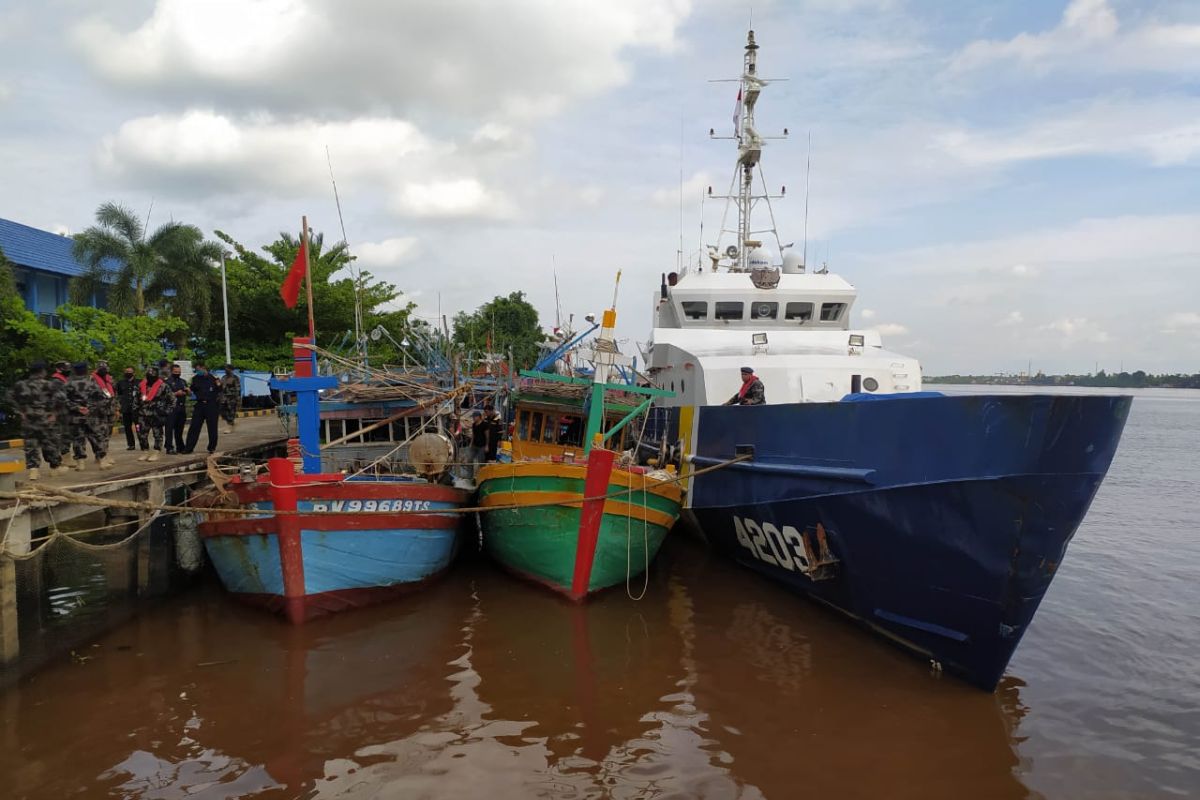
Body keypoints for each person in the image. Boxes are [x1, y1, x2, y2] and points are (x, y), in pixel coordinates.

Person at [8, 362, 68, 480]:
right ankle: (54, 468)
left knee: (31, 444)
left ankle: (33, 471)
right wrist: (55, 413)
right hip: (45, 418)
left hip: (28, 420)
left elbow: (9, 397)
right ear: (42, 372)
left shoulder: (21, 385)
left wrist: (20, 411)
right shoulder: (49, 385)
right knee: (50, 443)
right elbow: (62, 398)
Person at [65, 361, 114, 470]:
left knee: (78, 439)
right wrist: (91, 408)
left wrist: (77, 408)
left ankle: (80, 463)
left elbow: (63, 400)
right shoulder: (93, 383)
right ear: (85, 370)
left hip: (75, 416)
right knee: (97, 437)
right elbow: (104, 398)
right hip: (92, 416)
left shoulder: (68, 384)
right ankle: (102, 461)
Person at [182, 361, 221, 455]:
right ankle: (188, 448)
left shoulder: (213, 378)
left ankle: (212, 447)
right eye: (196, 370)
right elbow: (192, 390)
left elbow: (220, 390)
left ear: (204, 368)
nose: (198, 371)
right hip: (200, 405)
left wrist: (219, 385)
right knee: (194, 427)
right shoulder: (195, 379)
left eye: (199, 369)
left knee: (212, 427)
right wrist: (188, 391)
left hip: (211, 405)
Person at [134, 365, 171, 461]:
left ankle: (156, 452)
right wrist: (135, 412)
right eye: (149, 375)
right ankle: (145, 451)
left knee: (157, 434)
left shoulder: (163, 386)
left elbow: (172, 400)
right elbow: (136, 400)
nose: (150, 377)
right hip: (143, 414)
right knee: (142, 434)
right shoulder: (141, 385)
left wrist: (166, 412)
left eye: (152, 375)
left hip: (156, 414)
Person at [91, 361, 118, 465]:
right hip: (98, 411)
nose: (104, 370)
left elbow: (114, 394)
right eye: (101, 368)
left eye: (105, 368)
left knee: (107, 433)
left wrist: (116, 408)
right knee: (99, 434)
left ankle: (105, 453)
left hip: (110, 409)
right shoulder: (92, 379)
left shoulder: (109, 379)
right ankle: (100, 455)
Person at [164, 363, 189, 454]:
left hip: (181, 407)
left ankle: (180, 446)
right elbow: (164, 396)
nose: (177, 373)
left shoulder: (183, 381)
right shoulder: (167, 382)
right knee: (169, 428)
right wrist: (175, 394)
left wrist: (187, 392)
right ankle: (169, 447)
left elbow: (187, 391)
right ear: (171, 371)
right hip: (171, 408)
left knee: (179, 429)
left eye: (179, 372)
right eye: (175, 372)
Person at [115, 367, 140, 450]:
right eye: (126, 371)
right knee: (127, 427)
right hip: (126, 409)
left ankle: (142, 442)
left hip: (136, 409)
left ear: (134, 373)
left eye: (130, 371)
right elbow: (119, 395)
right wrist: (119, 407)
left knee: (138, 426)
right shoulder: (121, 383)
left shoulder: (139, 382)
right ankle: (131, 444)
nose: (128, 373)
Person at [219, 364, 241, 434]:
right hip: (224, 398)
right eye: (225, 369)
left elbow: (238, 389)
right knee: (223, 412)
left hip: (232, 398)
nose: (225, 370)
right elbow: (221, 387)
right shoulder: (223, 377)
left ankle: (230, 426)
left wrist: (238, 400)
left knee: (231, 412)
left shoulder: (235, 378)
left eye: (227, 369)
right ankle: (231, 423)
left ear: (231, 369)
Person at [466, 410, 487, 478]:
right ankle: (470, 475)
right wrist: (471, 443)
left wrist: (487, 445)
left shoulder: (484, 425)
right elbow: (473, 435)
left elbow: (487, 436)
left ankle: (482, 476)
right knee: (469, 459)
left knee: (481, 462)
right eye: (473, 417)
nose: (473, 418)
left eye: (475, 417)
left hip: (482, 446)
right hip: (474, 445)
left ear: (479, 417)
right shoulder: (474, 425)